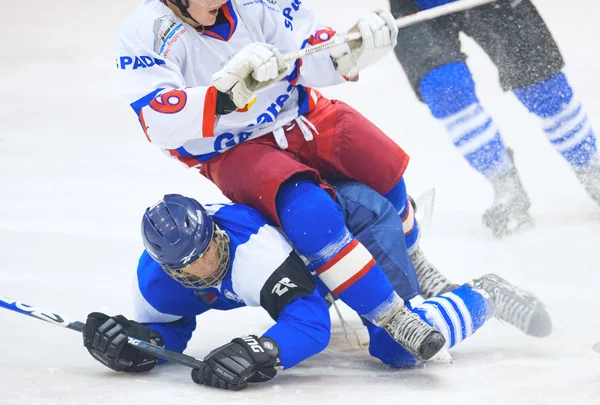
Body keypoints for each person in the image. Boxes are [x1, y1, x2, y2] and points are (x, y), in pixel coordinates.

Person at [117, 0, 440, 355]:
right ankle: (392, 317)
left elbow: (307, 52)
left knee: (381, 166)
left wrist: (349, 52)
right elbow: (157, 119)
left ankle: (415, 262)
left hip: (301, 113)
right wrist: (222, 97)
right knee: (309, 214)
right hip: (232, 150)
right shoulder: (145, 31)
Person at [82, 182, 552, 390]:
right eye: (191, 264)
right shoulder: (155, 282)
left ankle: (486, 293)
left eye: (209, 245)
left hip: (353, 227)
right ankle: (419, 267)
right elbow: (169, 329)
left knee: (397, 348)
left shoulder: (252, 252)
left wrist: (261, 351)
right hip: (307, 255)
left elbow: (310, 324)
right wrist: (134, 345)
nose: (208, 263)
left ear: (213, 227)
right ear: (169, 270)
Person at [389, 0, 600, 237]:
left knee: (543, 87)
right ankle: (504, 182)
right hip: (415, 6)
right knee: (445, 87)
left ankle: (590, 166)